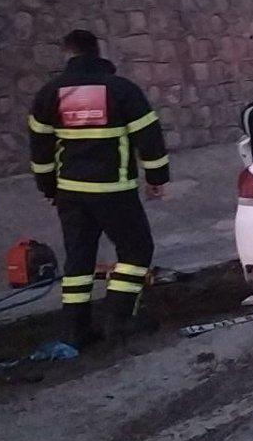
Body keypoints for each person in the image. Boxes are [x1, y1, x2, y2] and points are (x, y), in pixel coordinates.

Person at [28, 30, 170, 347]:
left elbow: (40, 148)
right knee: (136, 250)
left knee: (79, 260)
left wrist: (49, 188)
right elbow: (149, 136)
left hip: (70, 192)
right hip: (113, 190)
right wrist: (157, 178)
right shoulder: (120, 89)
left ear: (66, 54)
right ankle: (120, 318)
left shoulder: (49, 93)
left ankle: (75, 331)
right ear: (97, 52)